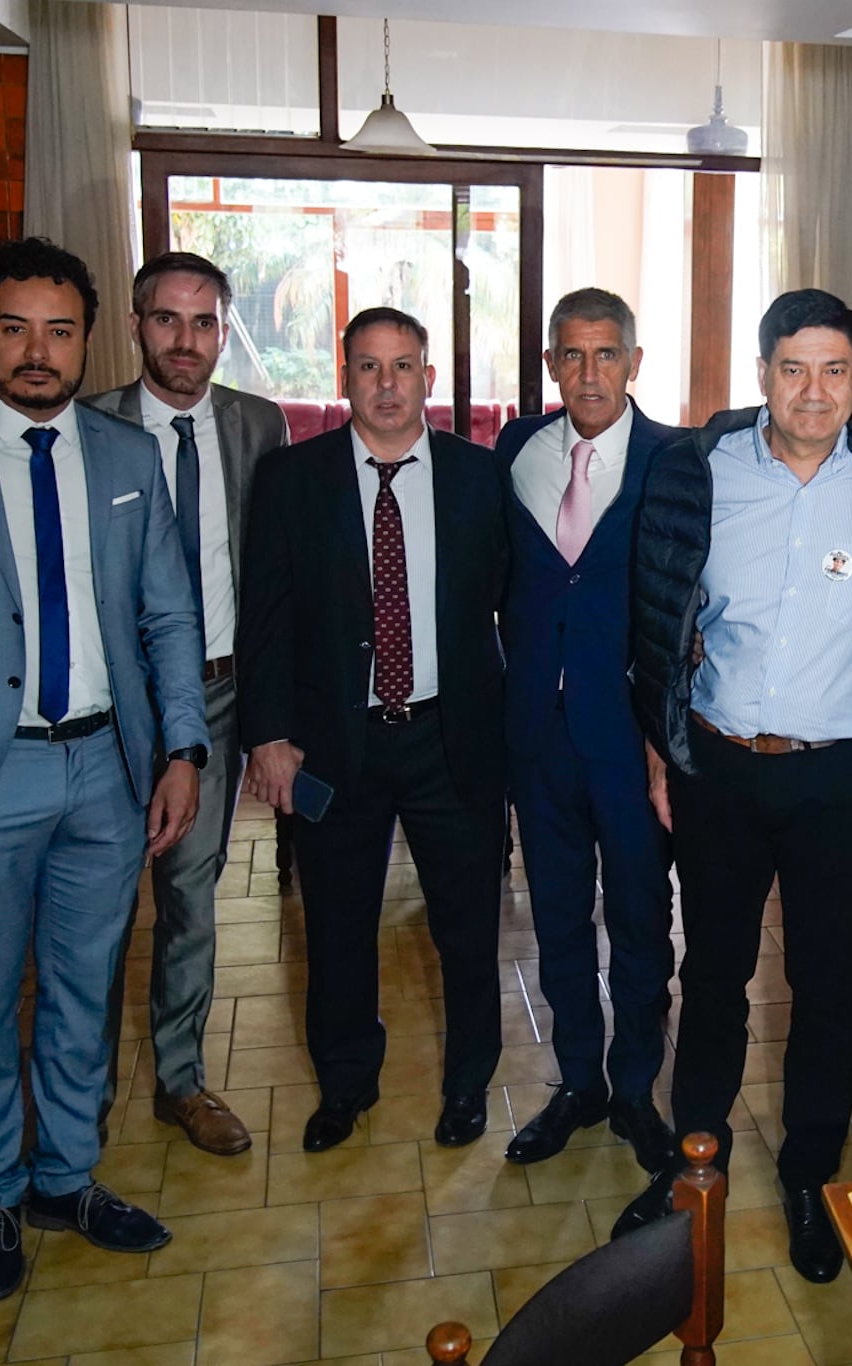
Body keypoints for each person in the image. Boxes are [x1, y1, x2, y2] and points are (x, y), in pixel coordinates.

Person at [0, 238, 207, 1300]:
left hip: (104, 774)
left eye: (59, 330)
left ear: (86, 338)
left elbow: (167, 612)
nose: (38, 351)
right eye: (15, 328)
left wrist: (183, 748)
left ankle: (64, 1176)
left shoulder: (126, 460)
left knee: (79, 990)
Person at [618, 288, 852, 1282]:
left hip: (841, 776)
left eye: (834, 370)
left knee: (823, 984)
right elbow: (656, 617)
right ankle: (696, 1158)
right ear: (761, 374)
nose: (813, 391)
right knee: (712, 973)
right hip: (718, 766)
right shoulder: (694, 471)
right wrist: (658, 744)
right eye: (792, 368)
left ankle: (811, 1171)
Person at [238, 307, 510, 1152]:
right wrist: (268, 734)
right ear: (344, 377)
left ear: (428, 379)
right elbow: (267, 618)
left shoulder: (478, 475)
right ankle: (345, 1087)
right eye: (368, 367)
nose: (387, 385)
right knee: (338, 926)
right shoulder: (292, 478)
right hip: (333, 745)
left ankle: (469, 1083)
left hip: (450, 740)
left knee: (466, 928)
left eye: (403, 367)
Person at [84, 251, 289, 1156]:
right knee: (90, 906)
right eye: (167, 319)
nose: (186, 340)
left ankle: (181, 1081)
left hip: (217, 694)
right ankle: (75, 1093)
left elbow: (277, 574)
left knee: (191, 898)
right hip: (109, 701)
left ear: (222, 330)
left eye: (204, 322)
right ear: (136, 325)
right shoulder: (89, 428)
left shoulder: (259, 424)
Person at [497, 289, 677, 1173]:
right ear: (550, 366)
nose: (590, 372)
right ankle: (579, 1081)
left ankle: (637, 1086)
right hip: (538, 731)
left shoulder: (678, 459)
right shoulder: (514, 452)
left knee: (642, 917)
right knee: (559, 919)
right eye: (572, 355)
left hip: (633, 736)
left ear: (635, 362)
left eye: (607, 354)